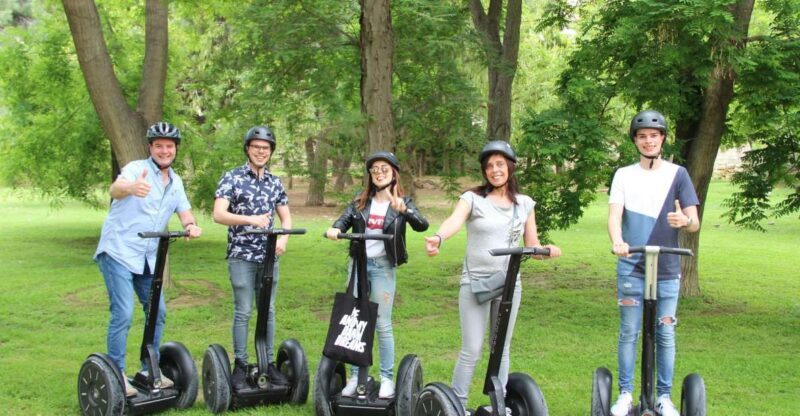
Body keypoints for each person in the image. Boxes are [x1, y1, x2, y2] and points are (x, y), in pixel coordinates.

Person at [424, 140, 561, 412]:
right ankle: (458, 406)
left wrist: (546, 251)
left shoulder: (524, 204)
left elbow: (532, 246)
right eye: (489, 166)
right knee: (472, 349)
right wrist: (439, 237)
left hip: (509, 285)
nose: (495, 170)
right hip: (475, 283)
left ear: (510, 167)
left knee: (501, 348)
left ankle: (499, 406)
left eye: (500, 164)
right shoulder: (472, 199)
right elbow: (454, 220)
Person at [93, 121, 202, 397]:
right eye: (159, 146)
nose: (164, 151)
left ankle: (147, 368)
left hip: (147, 257)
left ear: (175, 149)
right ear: (150, 147)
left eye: (169, 146)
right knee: (123, 312)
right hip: (118, 250)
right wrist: (131, 188)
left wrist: (191, 225)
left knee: (158, 312)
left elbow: (185, 212)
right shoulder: (135, 169)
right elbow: (115, 189)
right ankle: (116, 372)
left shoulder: (176, 182)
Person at [608, 110, 701, 416]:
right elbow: (614, 216)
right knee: (629, 331)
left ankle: (663, 396)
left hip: (667, 267)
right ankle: (625, 394)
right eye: (642, 136)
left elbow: (694, 223)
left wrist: (684, 220)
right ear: (635, 140)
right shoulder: (623, 175)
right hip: (631, 264)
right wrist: (617, 241)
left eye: (653, 135)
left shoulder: (678, 174)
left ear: (662, 138)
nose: (648, 141)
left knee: (665, 332)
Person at [326, 151, 429, 399]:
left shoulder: (402, 202)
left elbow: (422, 225)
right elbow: (343, 221)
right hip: (358, 265)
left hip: (383, 267)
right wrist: (334, 229)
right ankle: (355, 376)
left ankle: (386, 377)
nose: (379, 173)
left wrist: (405, 210)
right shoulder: (360, 202)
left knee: (382, 324)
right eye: (375, 170)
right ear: (370, 175)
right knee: (354, 321)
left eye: (384, 169)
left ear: (394, 173)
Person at [213, 125, 294, 389]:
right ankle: (240, 364)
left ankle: (267, 363)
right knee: (244, 310)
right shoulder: (232, 177)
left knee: (267, 310)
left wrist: (283, 238)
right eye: (256, 147)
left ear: (271, 152)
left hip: (268, 257)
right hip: (242, 255)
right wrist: (250, 219)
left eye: (265, 148)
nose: (261, 152)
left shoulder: (274, 181)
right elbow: (219, 214)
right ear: (248, 149)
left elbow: (286, 217)